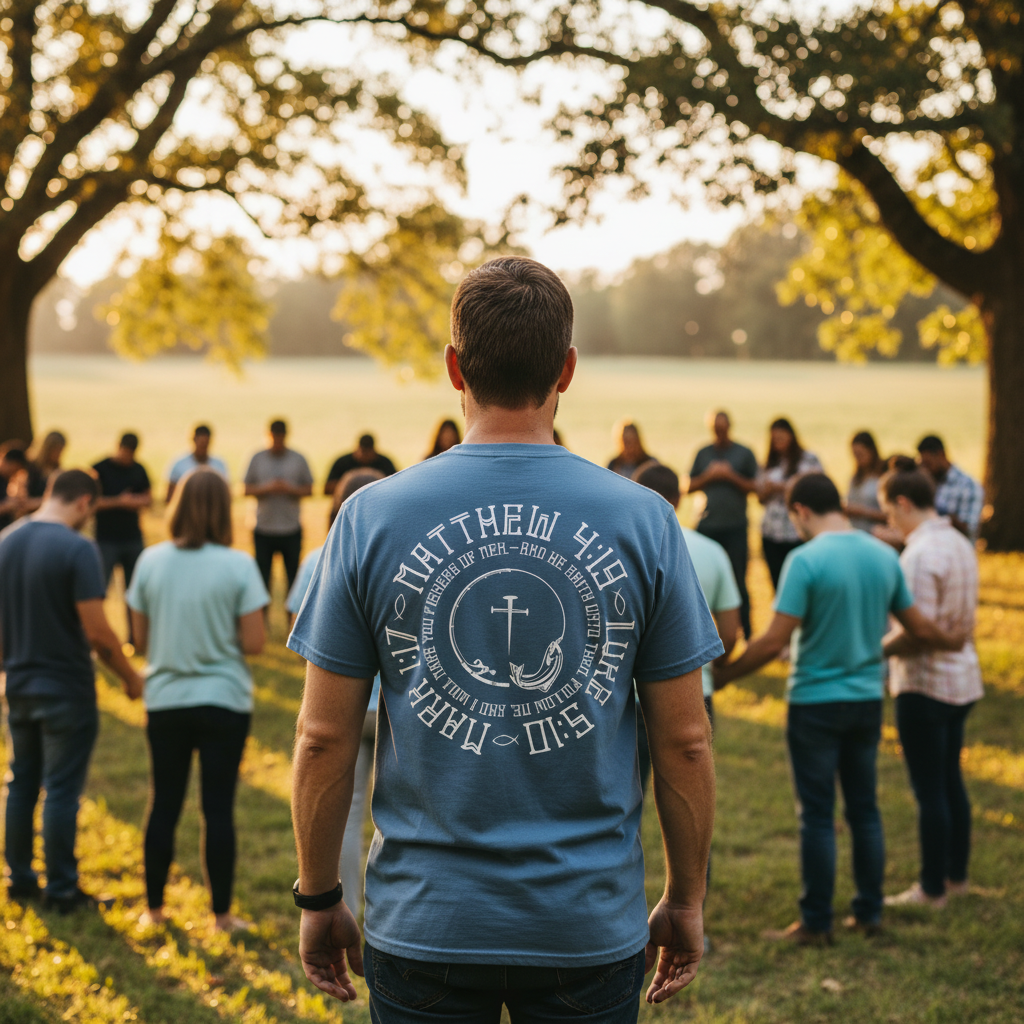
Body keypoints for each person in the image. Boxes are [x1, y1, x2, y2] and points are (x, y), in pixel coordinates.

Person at [288, 256, 722, 1018]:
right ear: (567, 369)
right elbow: (685, 740)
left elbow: (323, 737)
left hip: (424, 924)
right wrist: (686, 898)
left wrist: (320, 895)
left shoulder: (370, 517)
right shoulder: (643, 519)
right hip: (587, 923)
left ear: (455, 367)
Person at [713, 473, 964, 945]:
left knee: (817, 816)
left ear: (802, 511)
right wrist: (951, 639)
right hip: (867, 698)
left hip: (814, 702)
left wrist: (724, 675)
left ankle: (816, 922)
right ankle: (869, 913)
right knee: (865, 810)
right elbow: (916, 627)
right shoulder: (882, 555)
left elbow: (772, 642)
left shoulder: (805, 560)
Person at [126, 469, 269, 932]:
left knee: (163, 803)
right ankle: (222, 915)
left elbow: (141, 640)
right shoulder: (238, 565)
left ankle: (153, 909)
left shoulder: (150, 561)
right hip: (223, 700)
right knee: (218, 808)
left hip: (165, 698)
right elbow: (254, 643)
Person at [0, 470, 143, 912]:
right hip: (65, 688)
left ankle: (20, 877)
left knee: (22, 782)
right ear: (84, 502)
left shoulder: (5, 541)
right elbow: (98, 632)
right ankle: (61, 888)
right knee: (60, 789)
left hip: (18, 684)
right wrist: (129, 676)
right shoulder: (78, 548)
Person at [879, 467, 983, 908]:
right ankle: (957, 876)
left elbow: (918, 631)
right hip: (962, 678)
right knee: (951, 781)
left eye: (889, 512)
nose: (888, 522)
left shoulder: (918, 556)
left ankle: (932, 888)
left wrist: (872, 652)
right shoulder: (960, 541)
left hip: (926, 683)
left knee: (930, 790)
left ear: (903, 503)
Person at [287, 468, 384, 920]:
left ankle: (344, 902)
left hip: (340, 703)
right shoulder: (391, 550)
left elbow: (301, 630)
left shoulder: (315, 558)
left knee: (341, 817)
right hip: (389, 707)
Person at [688, 411, 758, 637]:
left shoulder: (744, 453)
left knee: (739, 580)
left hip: (735, 526)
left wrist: (730, 476)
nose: (719, 432)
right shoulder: (703, 452)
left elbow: (756, 488)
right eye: (715, 428)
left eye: (723, 428)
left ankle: (746, 634)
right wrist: (709, 476)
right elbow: (688, 486)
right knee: (698, 580)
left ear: (730, 426)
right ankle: (701, 634)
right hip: (707, 525)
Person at [243, 420, 314, 595]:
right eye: (274, 438)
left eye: (280, 438)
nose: (277, 442)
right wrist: (266, 488)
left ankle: (293, 619)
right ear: (268, 435)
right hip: (263, 528)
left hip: (290, 528)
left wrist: (290, 490)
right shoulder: (256, 457)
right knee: (261, 581)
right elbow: (244, 489)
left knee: (293, 582)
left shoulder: (298, 458)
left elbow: (310, 489)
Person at [92, 433, 153, 623]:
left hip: (132, 537)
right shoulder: (99, 469)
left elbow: (149, 498)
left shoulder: (138, 469)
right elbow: (91, 502)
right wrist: (118, 501)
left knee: (134, 591)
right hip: (106, 538)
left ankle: (134, 638)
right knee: (99, 590)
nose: (128, 457)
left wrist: (135, 502)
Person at [757, 418, 822, 591]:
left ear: (791, 437)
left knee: (802, 584)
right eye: (774, 439)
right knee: (778, 585)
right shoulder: (770, 462)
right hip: (772, 532)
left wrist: (782, 487)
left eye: (781, 438)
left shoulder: (808, 459)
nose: (778, 443)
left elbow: (817, 489)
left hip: (798, 532)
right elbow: (760, 498)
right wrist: (767, 491)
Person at [916, 435, 984, 541]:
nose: (925, 470)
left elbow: (969, 529)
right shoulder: (926, 482)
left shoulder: (968, 486)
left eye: (928, 464)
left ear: (941, 454)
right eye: (922, 465)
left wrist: (940, 514)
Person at [166, 425, 228, 503]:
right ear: (193, 440)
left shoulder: (219, 464)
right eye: (201, 444)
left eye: (205, 445)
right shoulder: (179, 464)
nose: (203, 448)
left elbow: (226, 493)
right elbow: (169, 496)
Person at [324, 434, 397, 495]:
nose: (365, 456)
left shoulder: (385, 463)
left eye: (368, 452)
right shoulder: (342, 462)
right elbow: (327, 489)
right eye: (363, 452)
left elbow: (396, 487)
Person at [846, 431, 887, 533]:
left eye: (860, 454)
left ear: (871, 451)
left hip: (877, 533)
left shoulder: (883, 476)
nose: (857, 459)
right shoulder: (856, 477)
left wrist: (863, 512)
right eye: (855, 455)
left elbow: (891, 515)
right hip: (856, 531)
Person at [22, 431, 67, 515]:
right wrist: (50, 501)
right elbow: (23, 502)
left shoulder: (57, 469)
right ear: (47, 449)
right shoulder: (29, 469)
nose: (59, 454)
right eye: (57, 450)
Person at [0, 447, 29, 530]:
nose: (15, 474)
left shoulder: (5, 480)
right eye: (16, 469)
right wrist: (7, 506)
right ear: (12, 463)